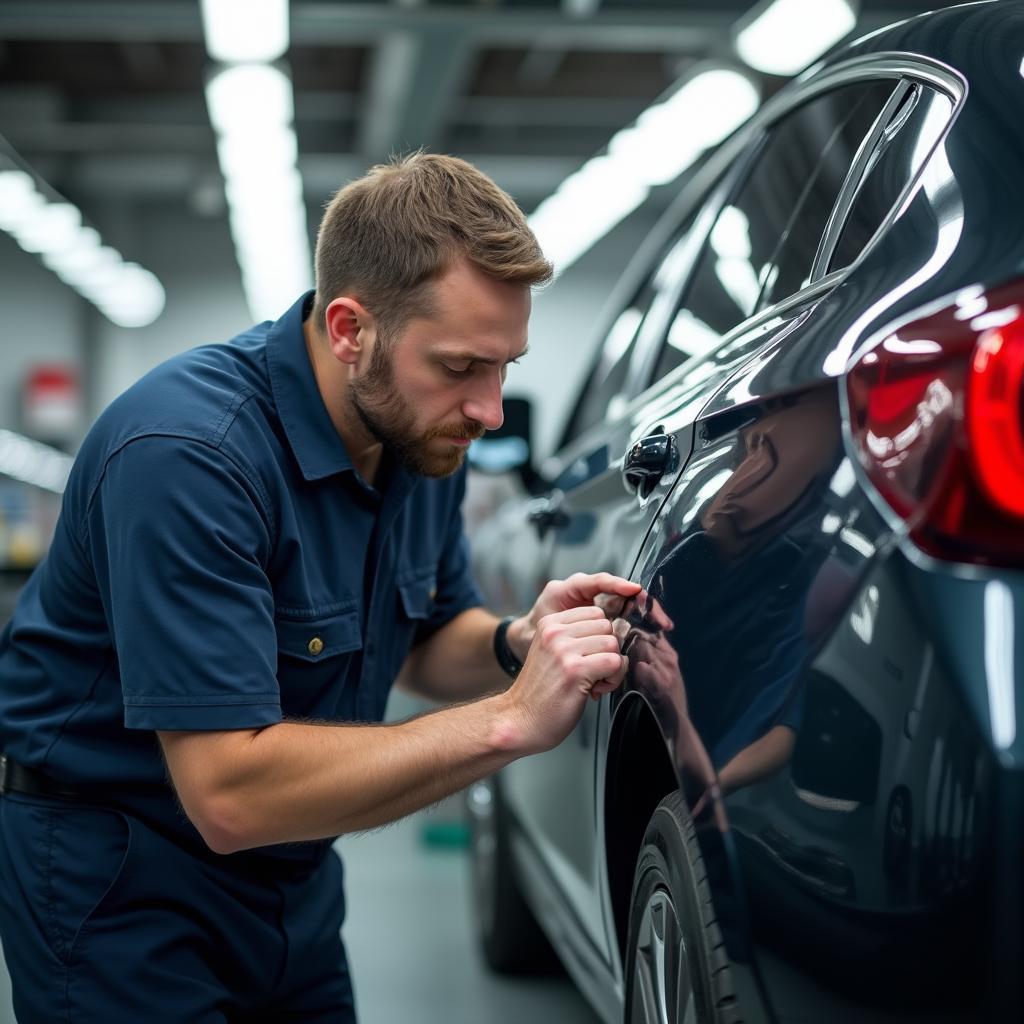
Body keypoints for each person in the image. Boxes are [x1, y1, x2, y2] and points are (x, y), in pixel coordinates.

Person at [0, 152, 638, 1023]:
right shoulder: (189, 455)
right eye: (459, 367)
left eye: (504, 366)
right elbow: (229, 792)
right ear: (350, 330)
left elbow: (424, 636)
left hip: (293, 873)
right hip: (120, 877)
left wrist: (513, 644)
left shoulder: (419, 436)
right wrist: (512, 720)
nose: (490, 408)